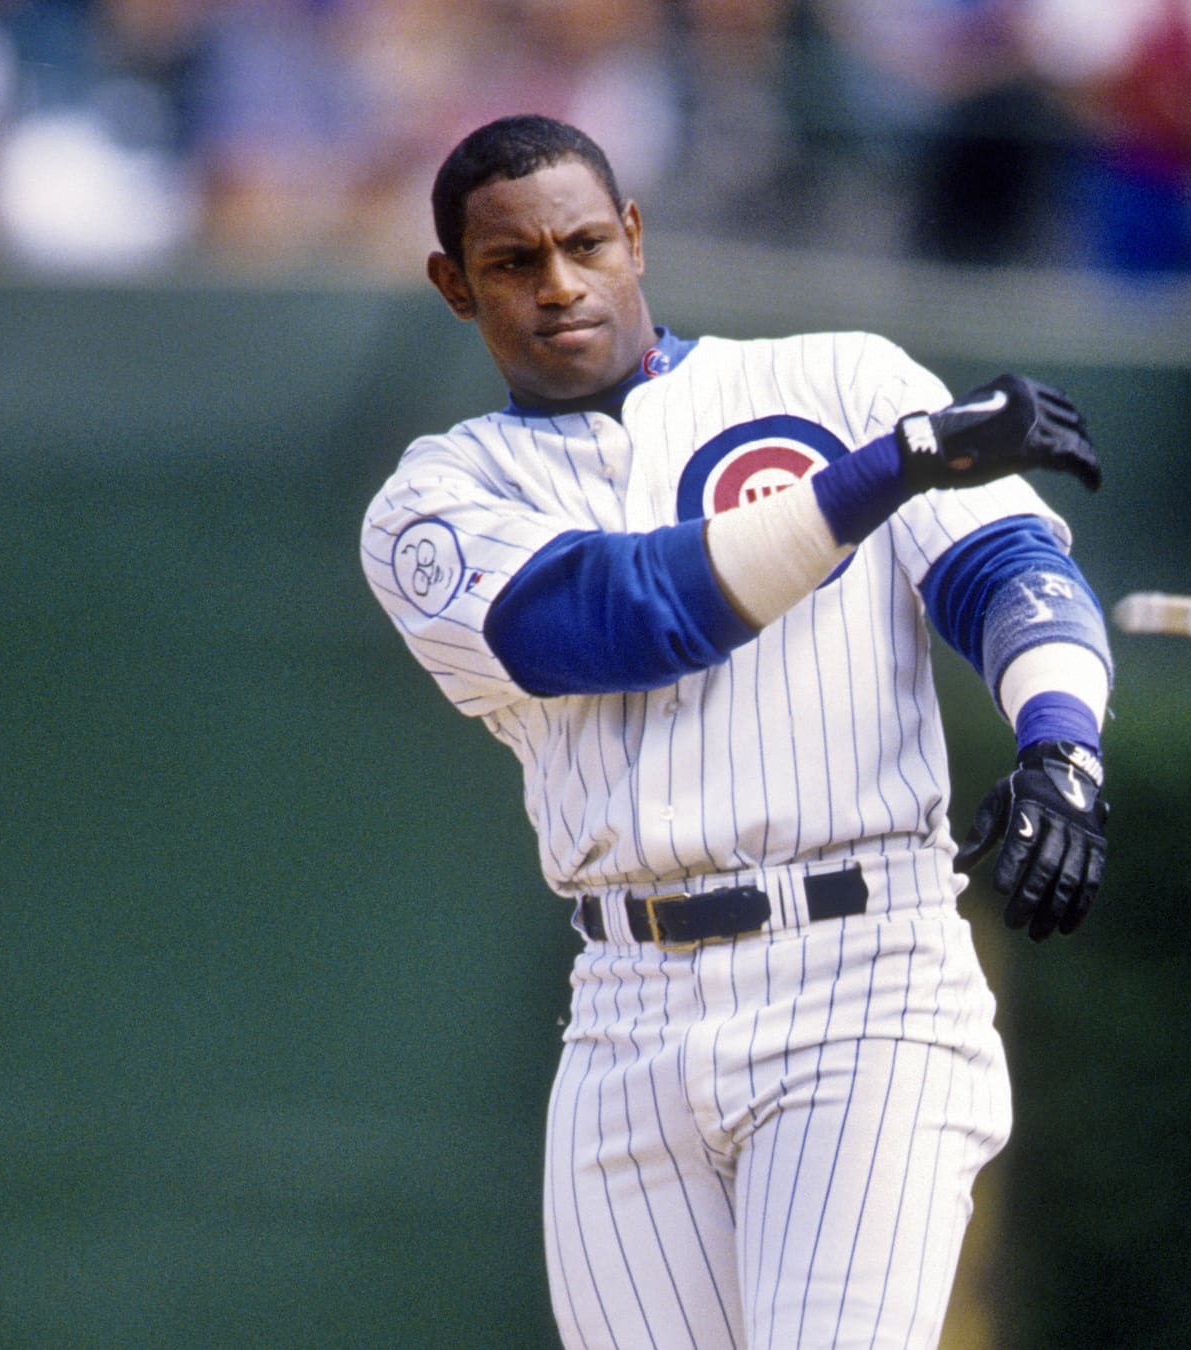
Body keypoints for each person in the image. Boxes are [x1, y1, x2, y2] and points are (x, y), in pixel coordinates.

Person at [360, 113, 1113, 1348]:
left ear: (634, 236)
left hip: (862, 978)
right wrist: (890, 468)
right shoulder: (434, 501)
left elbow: (1010, 570)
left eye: (585, 244)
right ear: (454, 284)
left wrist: (1062, 744)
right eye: (513, 262)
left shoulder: (838, 381)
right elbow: (629, 618)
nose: (561, 285)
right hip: (624, 1003)